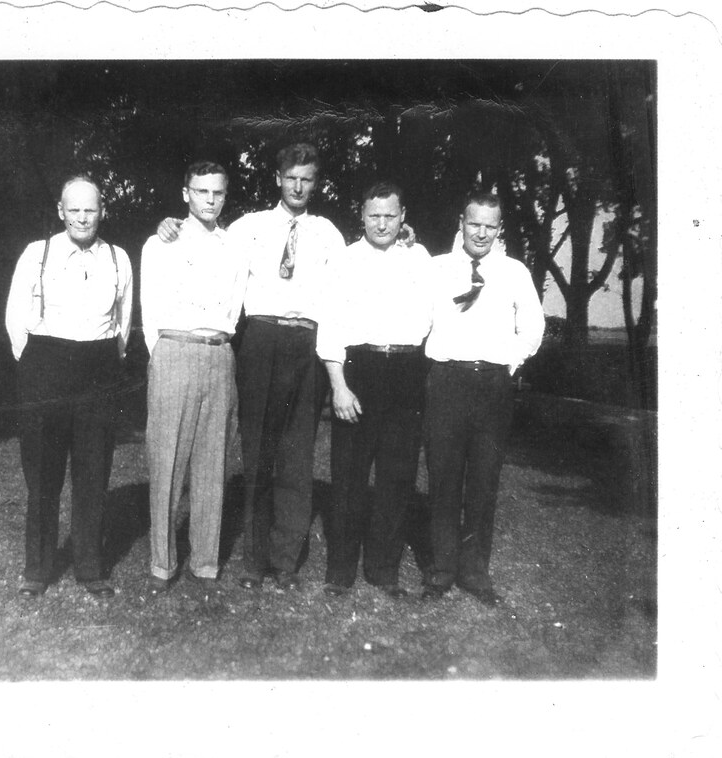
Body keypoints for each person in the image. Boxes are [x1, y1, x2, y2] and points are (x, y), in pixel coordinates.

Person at [160, 142, 344, 590]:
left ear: (315, 184)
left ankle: (285, 561)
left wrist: (404, 236)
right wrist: (169, 224)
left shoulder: (327, 234)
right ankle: (254, 561)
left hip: (307, 342)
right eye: (291, 178)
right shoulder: (248, 228)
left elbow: (345, 288)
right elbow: (204, 237)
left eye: (306, 179)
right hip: (260, 340)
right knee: (257, 452)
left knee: (297, 455)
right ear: (278, 179)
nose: (297, 187)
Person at [4, 176, 133, 600]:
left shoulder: (118, 258)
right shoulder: (36, 253)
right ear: (61, 211)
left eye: (90, 209)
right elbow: (14, 317)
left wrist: (103, 362)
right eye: (73, 209)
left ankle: (90, 567)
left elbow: (123, 322)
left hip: (98, 369)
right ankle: (37, 568)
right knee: (43, 474)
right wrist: (36, 364)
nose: (82, 217)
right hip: (46, 364)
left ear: (102, 212)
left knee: (93, 471)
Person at [421, 190, 544, 606]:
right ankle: (442, 570)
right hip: (447, 381)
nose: (481, 233)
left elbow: (532, 327)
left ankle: (474, 572)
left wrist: (509, 364)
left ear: (499, 229)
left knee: (484, 480)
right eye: (474, 223)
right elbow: (417, 315)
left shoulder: (513, 272)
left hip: (492, 386)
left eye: (490, 226)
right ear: (461, 222)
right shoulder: (437, 268)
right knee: (443, 477)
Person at [317, 181, 434, 599]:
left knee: (397, 476)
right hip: (359, 368)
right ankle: (340, 570)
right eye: (374, 215)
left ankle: (383, 569)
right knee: (349, 475)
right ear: (362, 216)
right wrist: (339, 386)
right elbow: (329, 326)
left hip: (406, 369)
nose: (382, 224)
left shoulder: (420, 259)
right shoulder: (344, 260)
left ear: (403, 217)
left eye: (390, 215)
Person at [141, 161, 248, 595]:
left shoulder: (235, 246)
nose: (210, 199)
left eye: (217, 193)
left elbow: (236, 303)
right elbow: (149, 308)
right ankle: (162, 562)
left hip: (218, 353)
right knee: (166, 459)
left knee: (212, 461)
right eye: (201, 191)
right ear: (186, 193)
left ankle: (205, 561)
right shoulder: (160, 242)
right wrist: (164, 356)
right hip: (174, 351)